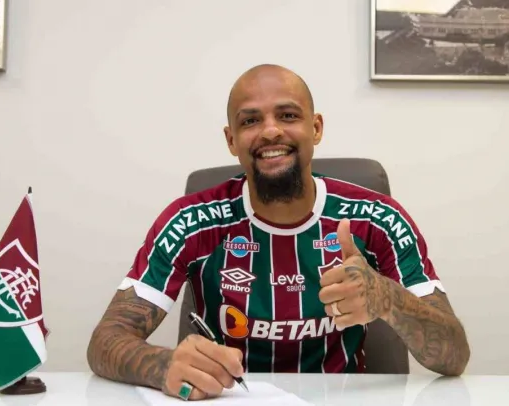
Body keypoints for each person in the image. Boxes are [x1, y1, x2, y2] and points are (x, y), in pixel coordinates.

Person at [86, 64, 471, 400]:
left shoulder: (377, 218)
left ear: (315, 128)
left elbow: (454, 356)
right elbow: (105, 340)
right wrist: (162, 365)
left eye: (287, 115)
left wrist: (388, 298)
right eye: (250, 121)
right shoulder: (190, 220)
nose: (270, 131)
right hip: (226, 401)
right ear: (231, 140)